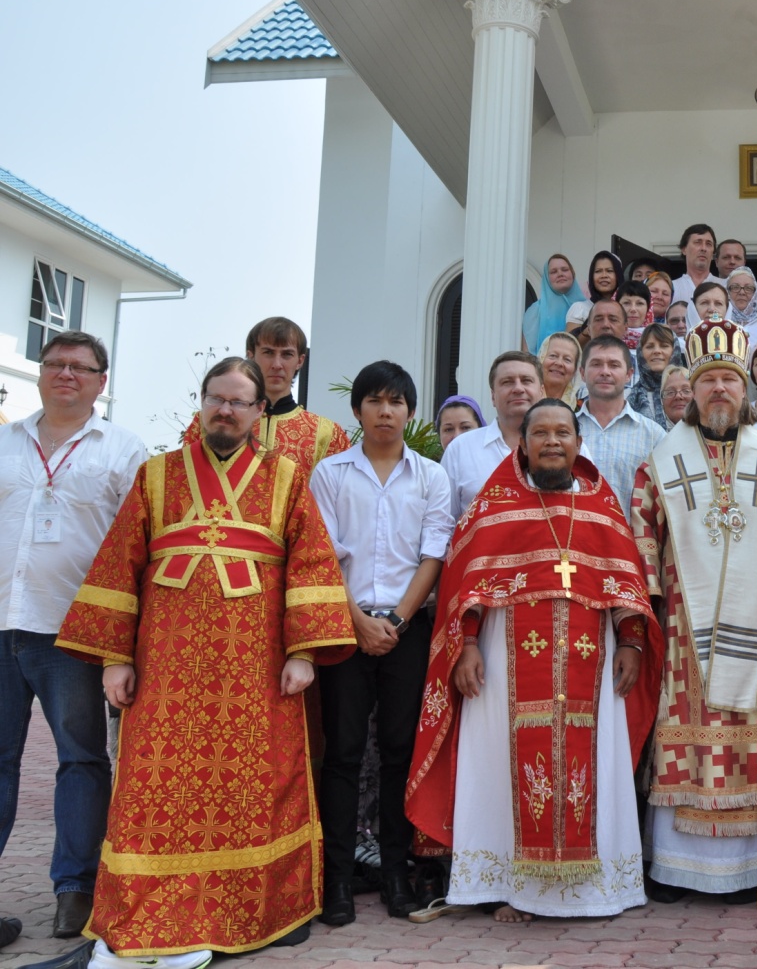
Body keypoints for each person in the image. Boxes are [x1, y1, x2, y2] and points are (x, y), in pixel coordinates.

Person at [50, 356, 356, 965]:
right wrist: (115, 657)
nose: (226, 410)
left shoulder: (287, 477)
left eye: (239, 401)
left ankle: (266, 909)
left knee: (260, 786)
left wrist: (303, 651)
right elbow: (121, 562)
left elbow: (313, 562)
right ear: (203, 402)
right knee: (154, 789)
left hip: (256, 668)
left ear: (258, 411)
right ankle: (149, 910)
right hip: (165, 666)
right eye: (217, 398)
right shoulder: (156, 474)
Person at [405, 399, 663, 921]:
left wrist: (632, 642)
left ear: (577, 443)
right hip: (503, 664)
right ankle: (509, 887)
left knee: (595, 762)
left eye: (562, 433)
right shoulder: (495, 503)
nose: (551, 442)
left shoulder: (602, 505)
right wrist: (467, 644)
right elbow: (466, 584)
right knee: (498, 763)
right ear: (522, 444)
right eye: (540, 433)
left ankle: (598, 888)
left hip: (594, 663)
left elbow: (626, 584)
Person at [630, 318, 757, 900]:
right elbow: (641, 540)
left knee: (753, 732)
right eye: (708, 380)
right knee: (689, 731)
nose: (719, 389)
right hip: (684, 628)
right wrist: (646, 616)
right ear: (691, 390)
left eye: (729, 380)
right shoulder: (660, 460)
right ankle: (679, 867)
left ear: (745, 390)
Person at [0, 332, 147, 943]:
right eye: (56, 364)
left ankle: (75, 891)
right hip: (1, 623)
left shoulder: (124, 450)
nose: (66, 374)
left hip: (76, 632)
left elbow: (139, 544)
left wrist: (124, 640)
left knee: (81, 760)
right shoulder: (5, 440)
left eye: (80, 367)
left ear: (100, 382)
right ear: (39, 373)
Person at [310, 362, 452, 925]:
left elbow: (434, 554)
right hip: (345, 628)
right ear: (358, 410)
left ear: (410, 412)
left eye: (396, 402)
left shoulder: (431, 476)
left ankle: (397, 873)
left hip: (407, 631)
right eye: (375, 401)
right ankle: (337, 880)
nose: (385, 411)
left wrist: (394, 619)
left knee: (399, 752)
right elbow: (323, 554)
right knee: (343, 753)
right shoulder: (330, 474)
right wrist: (359, 621)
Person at [181, 317, 351, 469]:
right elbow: (186, 478)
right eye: (268, 353)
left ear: (300, 361)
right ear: (251, 356)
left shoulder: (327, 434)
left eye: (287, 354)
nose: (277, 364)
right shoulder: (211, 421)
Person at [575, 335, 667, 520]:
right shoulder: (566, 431)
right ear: (582, 373)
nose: (605, 372)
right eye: (596, 364)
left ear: (629, 374)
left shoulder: (653, 435)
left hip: (630, 537)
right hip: (574, 536)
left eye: (614, 365)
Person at [441, 351, 542, 517]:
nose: (518, 388)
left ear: (542, 391)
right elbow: (444, 521)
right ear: (493, 396)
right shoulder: (460, 449)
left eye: (526, 380)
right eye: (507, 382)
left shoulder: (568, 447)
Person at [522, 254, 584, 354]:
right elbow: (527, 353)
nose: (560, 274)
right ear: (547, 278)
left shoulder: (587, 307)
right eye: (553, 272)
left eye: (564, 270)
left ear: (572, 274)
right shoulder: (536, 311)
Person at [630, 324, 677, 429]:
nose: (656, 351)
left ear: (675, 351)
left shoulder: (691, 392)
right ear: (640, 352)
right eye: (650, 346)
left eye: (664, 346)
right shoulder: (629, 397)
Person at [566, 250, 621, 338]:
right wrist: (590, 329)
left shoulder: (627, 307)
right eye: (598, 271)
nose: (604, 275)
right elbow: (571, 344)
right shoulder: (580, 309)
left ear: (619, 275)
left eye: (609, 271)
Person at [671, 223, 723, 308]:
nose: (703, 248)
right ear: (684, 249)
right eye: (698, 242)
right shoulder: (671, 288)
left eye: (708, 244)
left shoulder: (725, 286)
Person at [537, 331, 582, 406]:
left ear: (575, 369)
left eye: (567, 359)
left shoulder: (583, 406)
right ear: (541, 359)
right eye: (553, 356)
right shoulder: (525, 400)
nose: (559, 363)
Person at [616, 280, 653, 350]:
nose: (633, 309)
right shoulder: (607, 337)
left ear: (648, 309)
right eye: (626, 303)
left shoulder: (659, 337)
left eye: (640, 303)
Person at [723, 267, 757, 332]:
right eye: (735, 287)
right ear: (727, 291)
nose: (742, 292)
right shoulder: (720, 320)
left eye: (748, 288)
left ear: (755, 294)